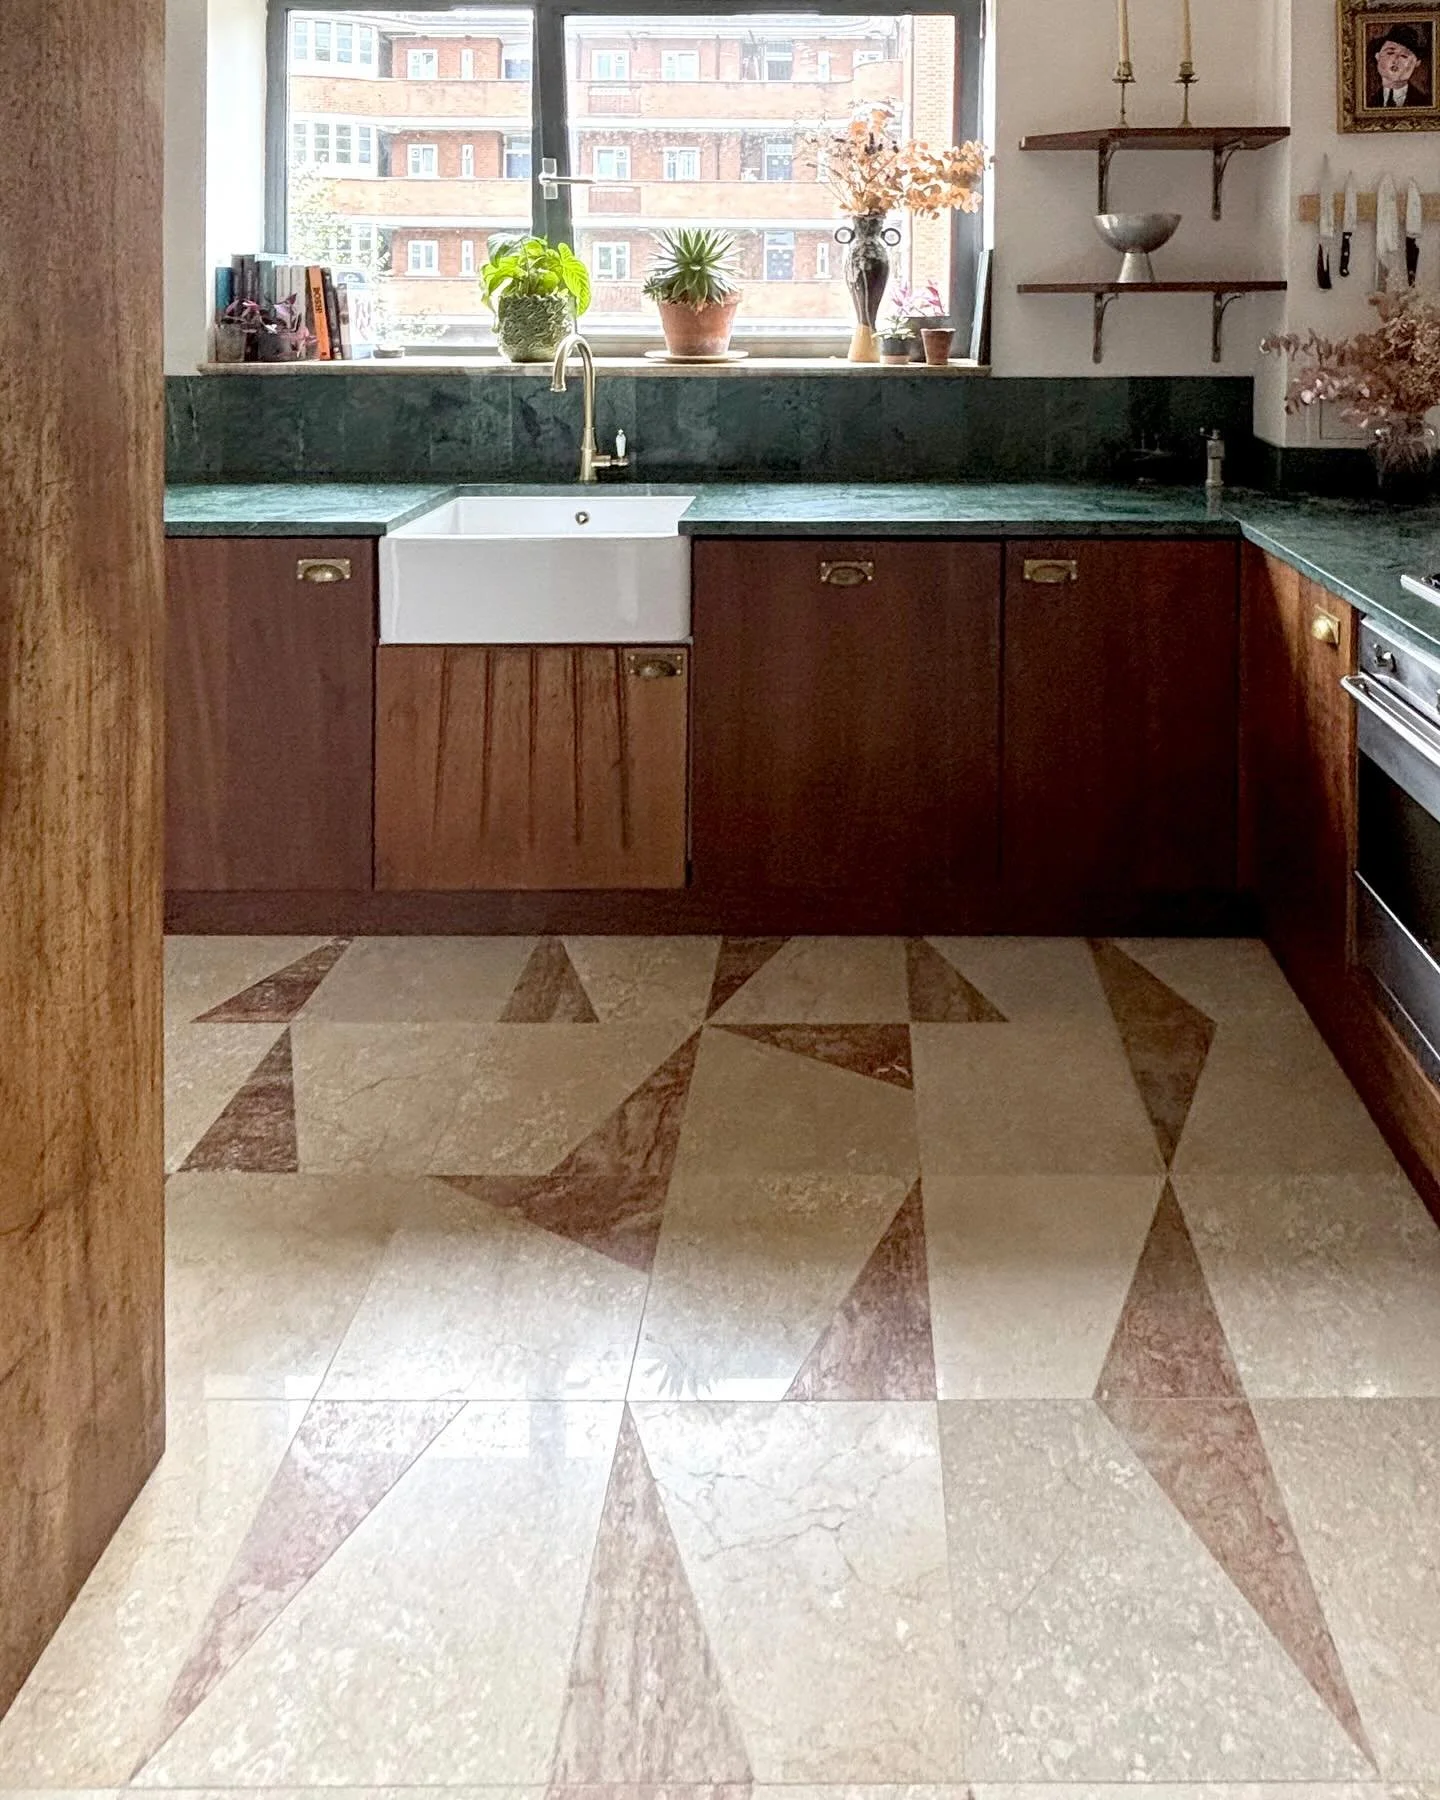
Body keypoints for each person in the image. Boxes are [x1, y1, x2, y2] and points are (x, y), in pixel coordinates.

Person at [1367, 21, 1432, 109]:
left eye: (1404, 56)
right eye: (1390, 53)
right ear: (1377, 56)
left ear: (1417, 63)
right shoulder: (1366, 102)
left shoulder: (1426, 103)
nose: (1396, 60)